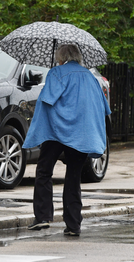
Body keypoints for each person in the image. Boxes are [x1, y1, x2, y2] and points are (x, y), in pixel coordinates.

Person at [23, 44, 111, 236]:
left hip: (57, 131)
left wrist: (39, 129)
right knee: (73, 177)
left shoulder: (56, 73)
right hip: (81, 133)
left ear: (60, 58)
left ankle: (43, 217)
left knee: (44, 170)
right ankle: (73, 226)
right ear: (78, 57)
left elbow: (47, 100)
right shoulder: (90, 77)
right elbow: (104, 107)